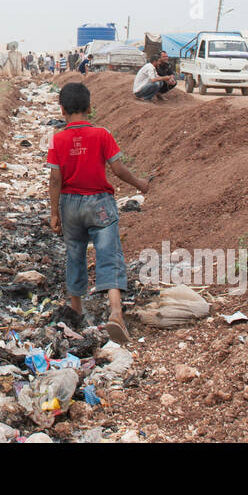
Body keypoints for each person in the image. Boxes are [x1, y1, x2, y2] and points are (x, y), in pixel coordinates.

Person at [47, 82, 153, 344]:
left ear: (62, 110)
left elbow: (54, 179)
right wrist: (140, 184)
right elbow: (118, 170)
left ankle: (76, 309)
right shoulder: (102, 135)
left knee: (74, 254)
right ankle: (116, 312)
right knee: (109, 254)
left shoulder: (58, 139)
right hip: (100, 203)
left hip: (70, 204)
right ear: (90, 108)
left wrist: (54, 213)